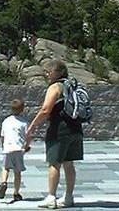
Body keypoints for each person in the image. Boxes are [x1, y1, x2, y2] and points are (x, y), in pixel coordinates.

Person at [26, 59, 82, 209]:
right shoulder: (72, 85)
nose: (47, 73)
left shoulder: (55, 87)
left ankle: (51, 197)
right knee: (69, 163)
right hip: (76, 128)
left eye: (50, 70)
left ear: (58, 72)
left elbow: (46, 110)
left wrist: (32, 126)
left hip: (60, 129)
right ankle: (69, 197)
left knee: (54, 163)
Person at [0, 98, 29, 202]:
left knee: (5, 168)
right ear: (22, 109)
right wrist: (26, 146)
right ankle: (16, 193)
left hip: (7, 148)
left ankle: (3, 182)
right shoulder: (24, 122)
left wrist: (3, 146)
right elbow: (28, 136)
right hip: (18, 149)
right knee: (17, 172)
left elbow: (2, 136)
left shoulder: (6, 121)